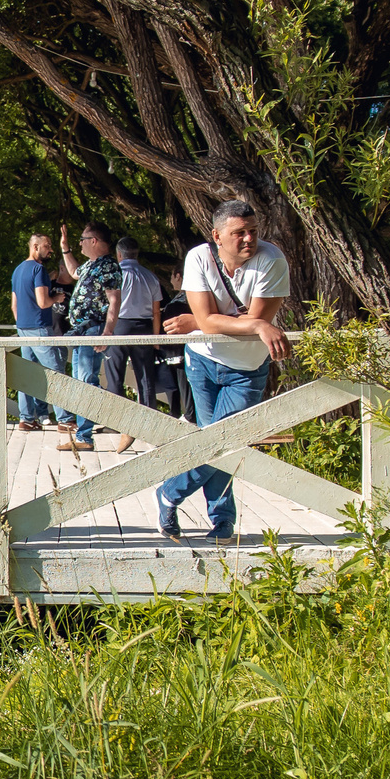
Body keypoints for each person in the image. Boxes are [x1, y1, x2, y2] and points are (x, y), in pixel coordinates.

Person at [156, 200, 293, 543]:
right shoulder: (198, 258)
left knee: (221, 443)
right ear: (217, 236)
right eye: (239, 233)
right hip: (202, 361)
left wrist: (207, 322)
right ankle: (223, 524)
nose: (249, 239)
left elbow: (251, 320)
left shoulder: (272, 260)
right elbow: (232, 321)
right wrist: (210, 323)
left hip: (247, 368)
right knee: (214, 441)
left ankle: (170, 492)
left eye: (254, 231)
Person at [54, 221, 122, 453]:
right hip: (82, 331)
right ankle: (86, 433)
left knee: (87, 383)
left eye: (82, 239)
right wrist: (65, 249)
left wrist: (107, 332)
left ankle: (119, 419)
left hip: (94, 329)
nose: (79, 243)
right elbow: (73, 272)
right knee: (83, 383)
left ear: (93, 241)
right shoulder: (91, 265)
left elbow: (114, 299)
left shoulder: (108, 266)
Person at [104, 237, 168, 451]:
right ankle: (148, 420)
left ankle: (119, 421)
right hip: (144, 325)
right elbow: (156, 309)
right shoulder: (150, 276)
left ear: (119, 254)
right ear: (137, 254)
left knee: (114, 373)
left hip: (120, 325)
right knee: (145, 375)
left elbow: (108, 304)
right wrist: (156, 336)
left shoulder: (115, 274)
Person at [9, 234, 67, 431]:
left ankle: (26, 418)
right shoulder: (38, 269)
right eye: (47, 246)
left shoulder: (17, 271)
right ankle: (65, 419)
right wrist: (57, 298)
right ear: (35, 247)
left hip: (23, 328)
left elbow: (14, 305)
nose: (50, 249)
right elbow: (43, 302)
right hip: (40, 326)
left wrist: (21, 325)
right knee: (55, 372)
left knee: (27, 374)